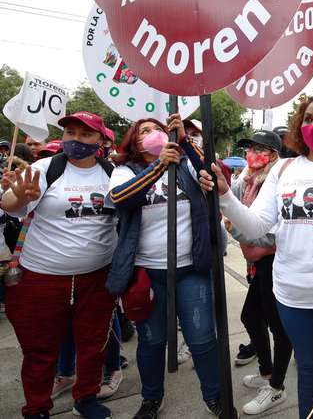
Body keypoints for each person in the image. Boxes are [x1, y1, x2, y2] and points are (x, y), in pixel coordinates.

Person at [199, 94, 313, 419]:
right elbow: (257, 226)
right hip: (293, 296)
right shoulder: (284, 169)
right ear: (298, 125)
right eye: (309, 118)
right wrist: (225, 195)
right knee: (308, 373)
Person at [1, 111, 118, 419]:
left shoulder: (113, 173)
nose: (76, 140)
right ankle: (37, 407)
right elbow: (11, 206)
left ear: (101, 141)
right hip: (41, 279)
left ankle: (87, 398)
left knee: (93, 345)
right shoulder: (45, 168)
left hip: (96, 279)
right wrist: (20, 197)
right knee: (40, 349)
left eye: (85, 134)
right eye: (70, 133)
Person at [107, 115, 222, 418]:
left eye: (157, 128)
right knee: (153, 340)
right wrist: (158, 167)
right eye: (144, 131)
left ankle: (215, 396)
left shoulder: (184, 165)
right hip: (147, 273)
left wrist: (184, 141)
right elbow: (119, 198)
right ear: (135, 141)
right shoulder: (123, 171)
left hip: (190, 269)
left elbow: (212, 171)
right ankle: (151, 399)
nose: (152, 133)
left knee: (202, 338)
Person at [228, 131, 292, 415]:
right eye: (250, 148)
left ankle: (276, 387)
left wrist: (258, 246)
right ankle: (267, 373)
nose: (253, 153)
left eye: (260, 149)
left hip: (273, 261)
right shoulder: (248, 182)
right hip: (258, 261)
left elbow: (278, 228)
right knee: (251, 316)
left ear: (275, 155)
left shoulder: (278, 183)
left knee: (278, 327)